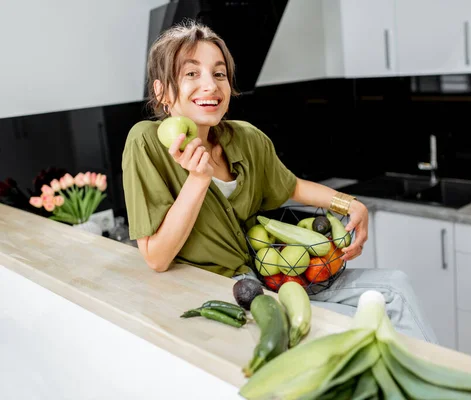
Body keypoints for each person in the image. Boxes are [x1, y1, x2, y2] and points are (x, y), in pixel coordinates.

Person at [121, 19, 438, 344]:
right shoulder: (146, 142)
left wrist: (350, 204)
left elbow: (291, 186)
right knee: (359, 330)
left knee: (395, 287)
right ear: (161, 91)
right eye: (191, 73)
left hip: (267, 276)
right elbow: (156, 257)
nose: (211, 86)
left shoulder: (244, 137)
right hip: (222, 294)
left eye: (219, 73)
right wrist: (198, 180)